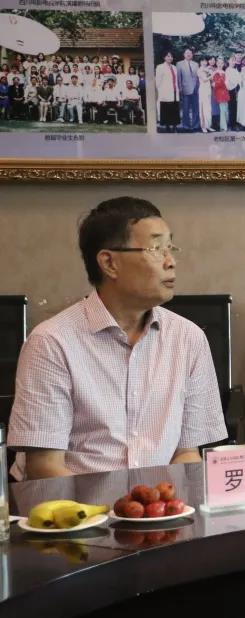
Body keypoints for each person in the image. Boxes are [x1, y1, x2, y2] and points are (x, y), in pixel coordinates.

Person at [7, 197, 226, 480]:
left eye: (170, 248)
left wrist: (163, 501)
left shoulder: (188, 338)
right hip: (77, 505)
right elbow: (45, 468)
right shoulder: (51, 342)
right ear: (109, 263)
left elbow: (186, 453)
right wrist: (112, 507)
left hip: (159, 503)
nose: (171, 262)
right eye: (156, 249)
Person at [154, 51, 180, 132]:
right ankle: (167, 127)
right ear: (164, 57)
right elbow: (158, 82)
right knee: (167, 109)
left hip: (174, 91)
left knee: (175, 109)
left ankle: (175, 126)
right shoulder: (160, 67)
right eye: (168, 56)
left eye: (171, 56)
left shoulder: (174, 67)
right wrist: (162, 91)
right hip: (165, 93)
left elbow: (176, 80)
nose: (170, 58)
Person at [176, 47, 200, 131]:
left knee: (196, 109)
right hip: (185, 89)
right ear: (184, 54)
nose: (189, 54)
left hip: (195, 89)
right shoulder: (179, 64)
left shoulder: (196, 64)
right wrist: (180, 88)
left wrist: (198, 87)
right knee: (185, 109)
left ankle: (195, 125)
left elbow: (198, 77)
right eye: (187, 53)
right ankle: (186, 126)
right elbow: (179, 78)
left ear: (192, 55)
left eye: (190, 53)